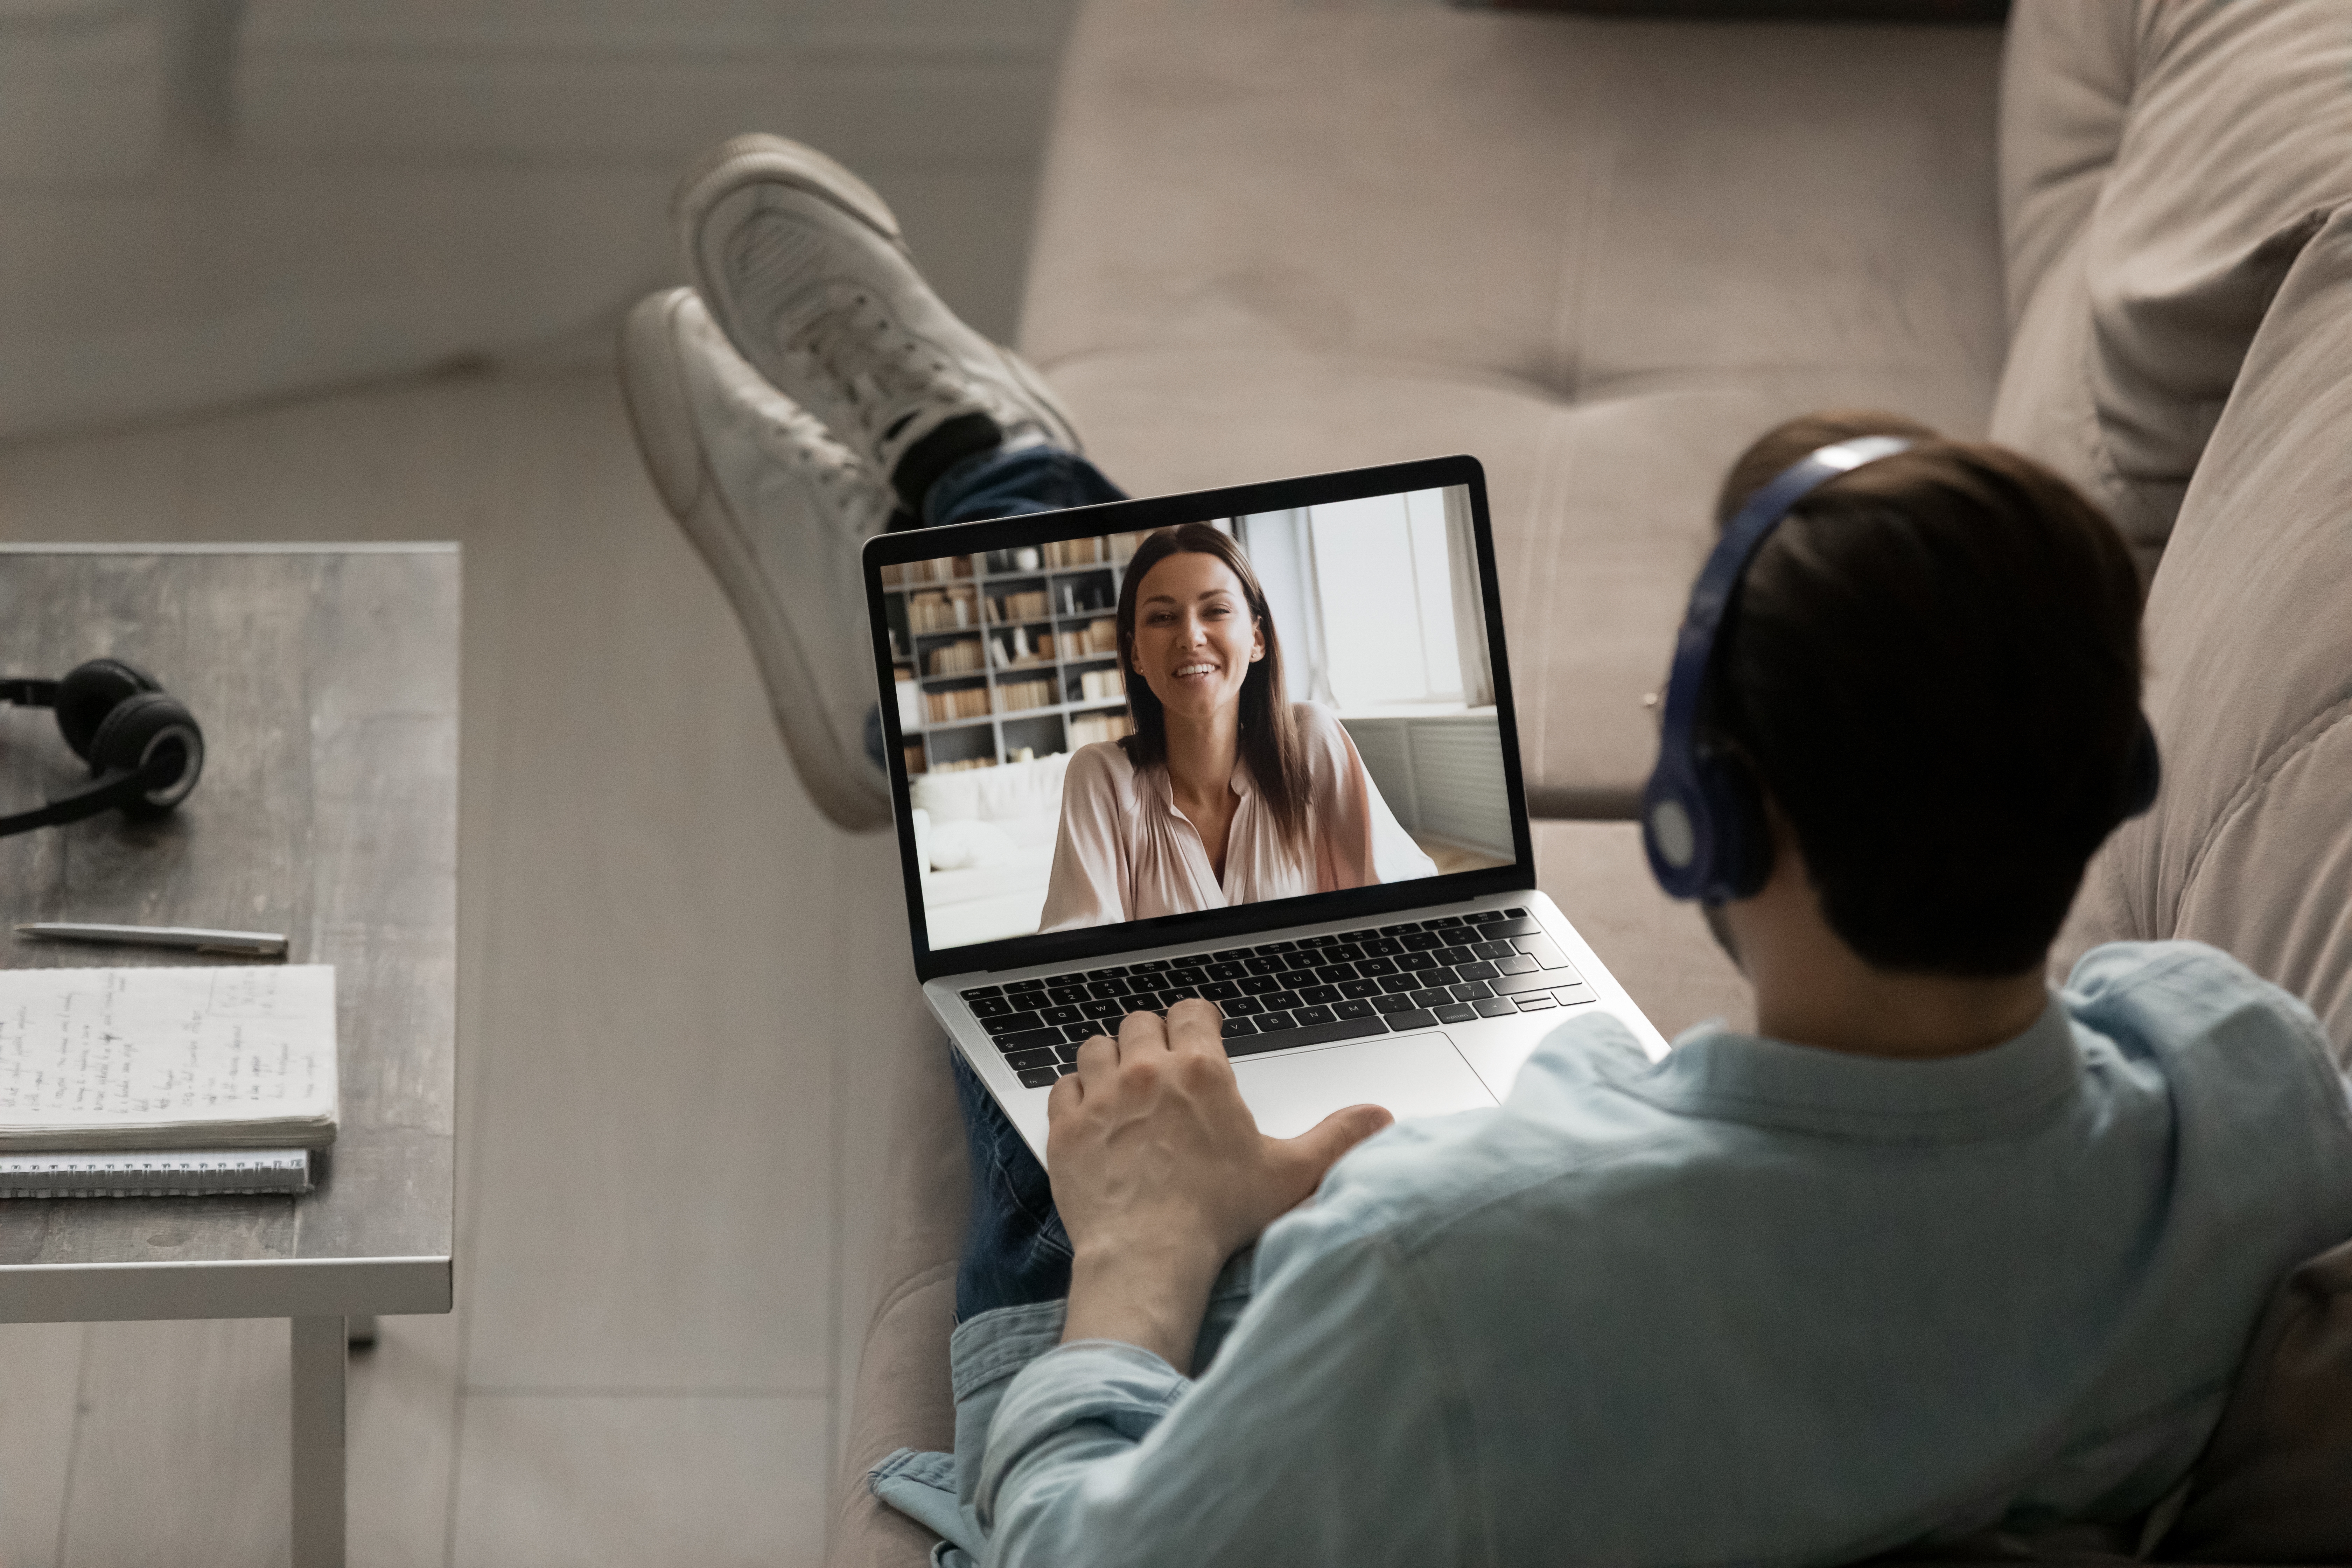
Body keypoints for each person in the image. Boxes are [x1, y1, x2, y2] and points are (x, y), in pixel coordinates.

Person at [622, 136, 2352, 1566]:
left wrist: (1143, 1253)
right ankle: (955, 549)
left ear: (1703, 814)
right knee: (1268, 804)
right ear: (2114, 775)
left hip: (1317, 1385)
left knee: (1136, 951)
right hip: (1592, 1248)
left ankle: (965, 522)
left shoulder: (1440, 1274)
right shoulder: (2247, 1092)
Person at [1036, 522, 1434, 931]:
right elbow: (1080, 957)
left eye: (1217, 611)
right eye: (1163, 617)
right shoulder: (1101, 778)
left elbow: (1410, 899)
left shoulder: (1311, 741)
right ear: (1136, 654)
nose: (1190, 636)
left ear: (1257, 639)